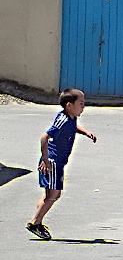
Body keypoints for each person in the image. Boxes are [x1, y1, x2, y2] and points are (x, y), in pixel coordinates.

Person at [26, 88, 97, 240]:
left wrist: (85, 132)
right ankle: (35, 222)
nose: (83, 107)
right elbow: (45, 137)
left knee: (49, 194)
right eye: (81, 103)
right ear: (69, 105)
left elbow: (73, 127)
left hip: (57, 162)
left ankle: (37, 221)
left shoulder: (70, 118)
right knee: (54, 194)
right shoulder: (63, 119)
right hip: (52, 162)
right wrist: (45, 160)